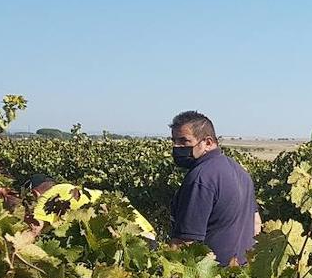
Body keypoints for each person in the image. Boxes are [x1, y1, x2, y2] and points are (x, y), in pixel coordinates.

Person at [168, 111, 260, 266]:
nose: (177, 147)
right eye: (174, 141)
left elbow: (185, 242)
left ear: (208, 142)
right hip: (241, 273)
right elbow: (256, 224)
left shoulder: (200, 178)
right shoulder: (241, 172)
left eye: (184, 141)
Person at [23, 173, 158, 242]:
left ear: (35, 193)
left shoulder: (50, 195)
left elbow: (35, 230)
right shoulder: (73, 191)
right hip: (147, 236)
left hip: (130, 240)